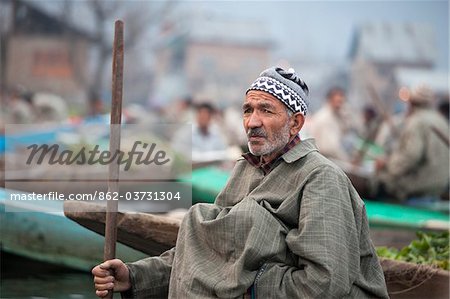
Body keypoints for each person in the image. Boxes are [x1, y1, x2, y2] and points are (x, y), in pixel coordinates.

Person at [92, 67, 388, 298]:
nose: (252, 122)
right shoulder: (244, 171)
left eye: (266, 110)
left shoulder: (321, 179)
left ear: (295, 123)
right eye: (248, 110)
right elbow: (207, 253)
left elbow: (324, 285)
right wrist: (134, 277)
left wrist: (245, 287)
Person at [374, 85, 449, 201]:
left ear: (411, 103)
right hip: (439, 187)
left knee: (377, 187)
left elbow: (410, 156)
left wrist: (387, 165)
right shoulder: (441, 120)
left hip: (418, 188)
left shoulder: (416, 122)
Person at [310, 87, 354, 161]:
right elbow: (330, 148)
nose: (340, 105)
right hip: (325, 158)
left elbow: (346, 129)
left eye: (342, 102)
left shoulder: (335, 116)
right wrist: (347, 160)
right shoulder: (325, 118)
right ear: (330, 100)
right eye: (338, 101)